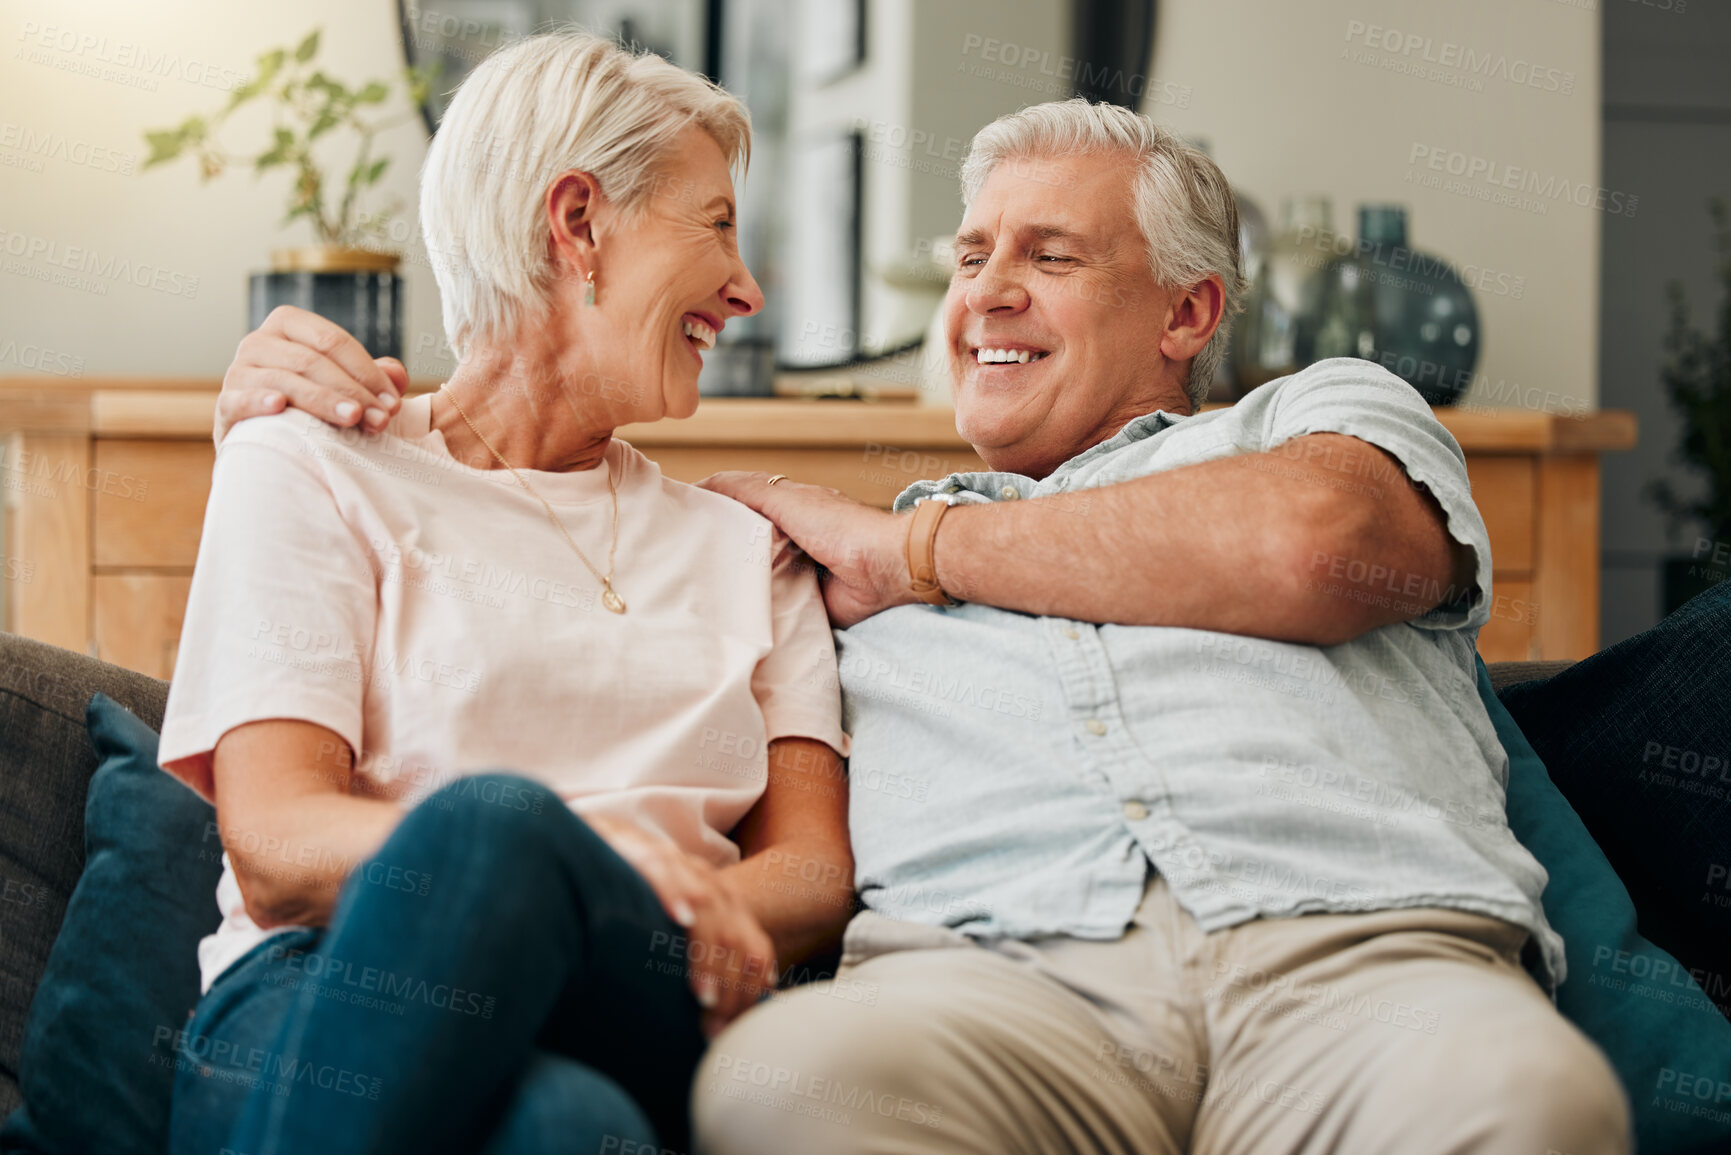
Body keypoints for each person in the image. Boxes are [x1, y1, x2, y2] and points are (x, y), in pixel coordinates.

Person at [218, 101, 1631, 1154]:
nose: (985, 292)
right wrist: (282, 433)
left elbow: (1314, 546)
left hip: (1356, 960)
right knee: (771, 1093)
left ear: (1187, 308)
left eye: (1050, 255)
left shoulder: (1319, 419)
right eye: (968, 256)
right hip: (1001, 991)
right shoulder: (790, 552)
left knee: (1528, 1107)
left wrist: (912, 548)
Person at [159, 31, 849, 1155]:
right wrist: (585, 850)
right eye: (716, 224)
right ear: (577, 223)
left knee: (504, 830)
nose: (747, 287)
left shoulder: (748, 546)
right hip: (318, 993)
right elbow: (278, 845)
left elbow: (814, 870)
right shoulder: (311, 464)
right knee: (568, 1129)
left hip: (644, 978)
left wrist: (596, 884)